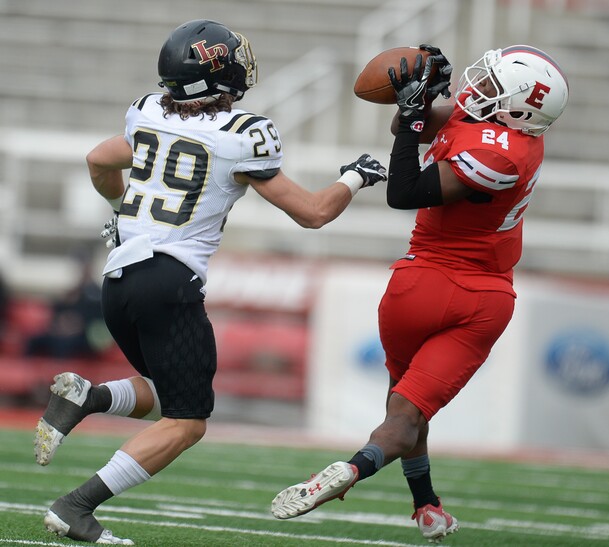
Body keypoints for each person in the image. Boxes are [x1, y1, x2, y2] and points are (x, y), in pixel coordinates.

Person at [34, 19, 386, 545]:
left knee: (168, 391)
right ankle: (76, 507)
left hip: (119, 279)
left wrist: (120, 211)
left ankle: (89, 398)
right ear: (222, 75)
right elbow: (313, 214)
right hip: (169, 280)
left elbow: (98, 160)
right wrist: (355, 175)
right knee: (188, 421)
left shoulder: (147, 113)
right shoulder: (244, 135)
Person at [271, 44, 569, 543]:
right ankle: (357, 471)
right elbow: (408, 129)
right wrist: (419, 96)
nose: (478, 88)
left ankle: (425, 505)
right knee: (409, 416)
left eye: (493, 86)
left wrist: (412, 115)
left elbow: (403, 191)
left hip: (416, 286)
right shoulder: (512, 140)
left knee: (404, 411)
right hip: (481, 298)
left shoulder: (498, 156)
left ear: (519, 106)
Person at [24, 250, 108, 360]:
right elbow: (57, 311)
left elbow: (98, 319)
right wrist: (60, 323)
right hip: (64, 331)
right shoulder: (71, 293)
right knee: (35, 340)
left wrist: (77, 325)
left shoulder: (97, 293)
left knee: (63, 344)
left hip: (85, 334)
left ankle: (60, 373)